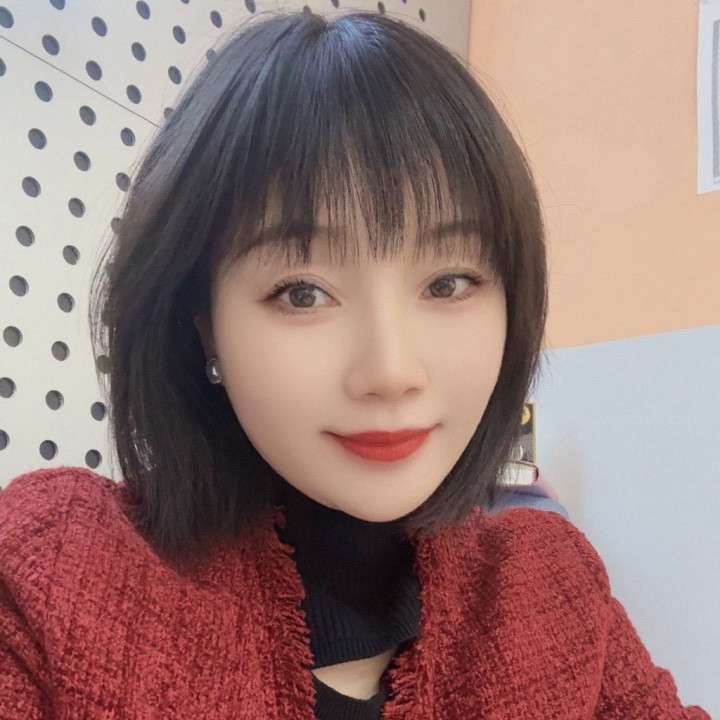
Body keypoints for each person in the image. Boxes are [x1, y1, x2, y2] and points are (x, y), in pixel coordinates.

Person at [0, 10, 709, 719]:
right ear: (205, 326)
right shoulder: (58, 573)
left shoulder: (551, 591)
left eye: (448, 283)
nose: (391, 371)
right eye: (303, 293)